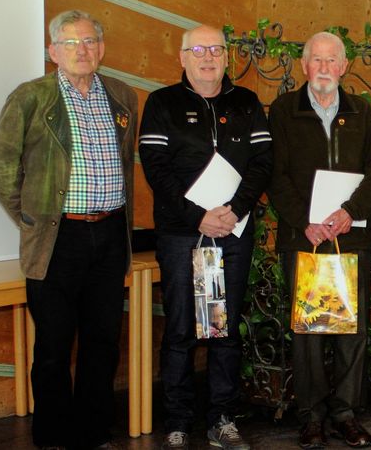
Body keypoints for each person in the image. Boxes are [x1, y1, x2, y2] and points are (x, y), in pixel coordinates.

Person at [0, 9, 137, 449]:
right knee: (53, 346)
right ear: (53, 51)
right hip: (57, 239)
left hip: (109, 236)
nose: (81, 50)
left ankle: (92, 432)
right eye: (70, 43)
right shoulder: (31, 97)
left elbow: (127, 166)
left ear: (102, 49)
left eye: (89, 41)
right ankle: (52, 436)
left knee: (103, 342)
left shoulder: (124, 96)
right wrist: (29, 218)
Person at [139, 24, 273, 450]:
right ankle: (177, 423)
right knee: (180, 329)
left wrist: (234, 211)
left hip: (233, 233)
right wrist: (198, 217)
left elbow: (262, 162)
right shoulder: (162, 103)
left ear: (227, 57)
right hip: (183, 235)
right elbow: (156, 169)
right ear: (182, 57)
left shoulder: (247, 102)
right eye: (198, 49)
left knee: (225, 329)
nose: (208, 56)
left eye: (216, 48)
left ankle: (223, 419)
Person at [268, 31, 371, 449]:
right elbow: (275, 175)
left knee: (351, 331)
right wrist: (306, 221)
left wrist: (349, 212)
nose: (323, 68)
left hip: (350, 238)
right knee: (308, 333)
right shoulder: (284, 110)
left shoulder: (361, 112)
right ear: (304, 66)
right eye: (315, 60)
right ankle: (312, 415)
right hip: (304, 240)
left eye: (331, 60)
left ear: (343, 66)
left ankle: (345, 413)